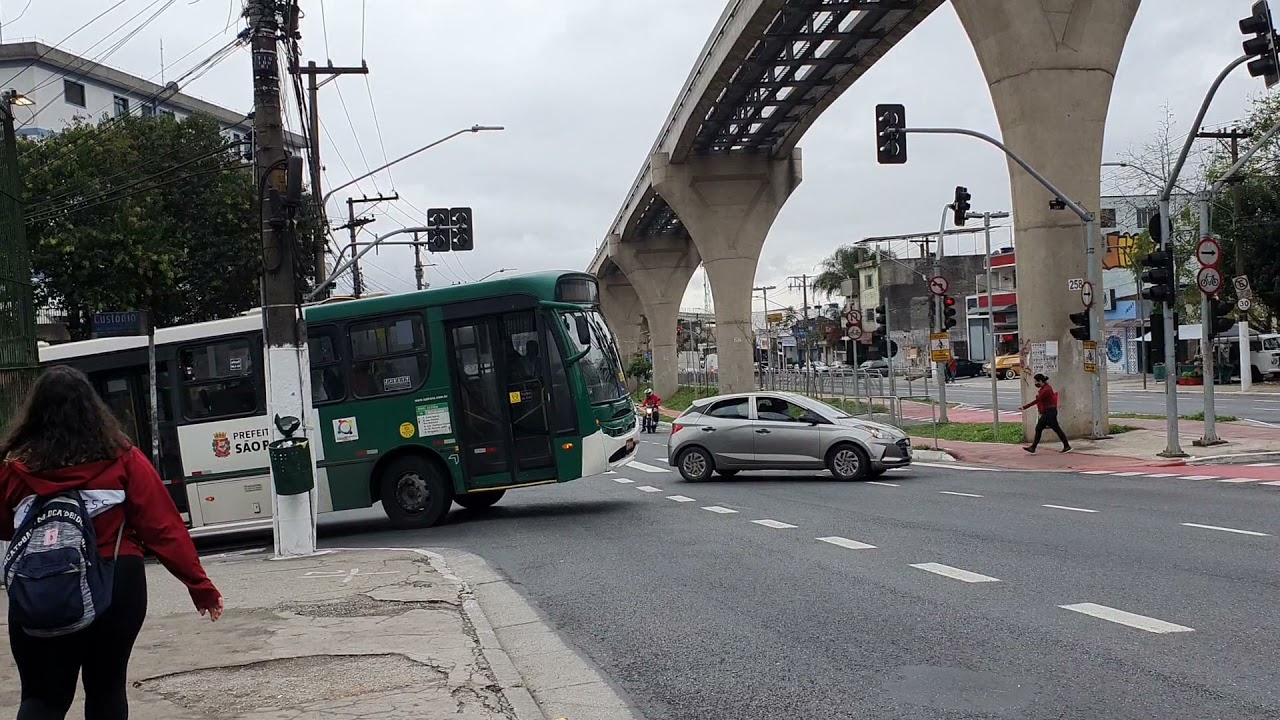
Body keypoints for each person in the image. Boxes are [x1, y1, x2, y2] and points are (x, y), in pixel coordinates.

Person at [1, 365, 223, 720]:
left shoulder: (15, 467)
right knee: (106, 687)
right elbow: (162, 527)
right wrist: (200, 586)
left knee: (42, 696)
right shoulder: (123, 459)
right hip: (117, 581)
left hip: (41, 588)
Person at [1020, 372, 1072, 454]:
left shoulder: (1046, 390)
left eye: (1036, 382)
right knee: (1039, 428)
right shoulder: (1046, 388)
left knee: (1056, 429)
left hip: (1049, 412)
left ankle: (1067, 446)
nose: (1035, 383)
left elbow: (1037, 400)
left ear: (1040, 381)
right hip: (1047, 412)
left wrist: (1025, 407)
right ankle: (1033, 447)